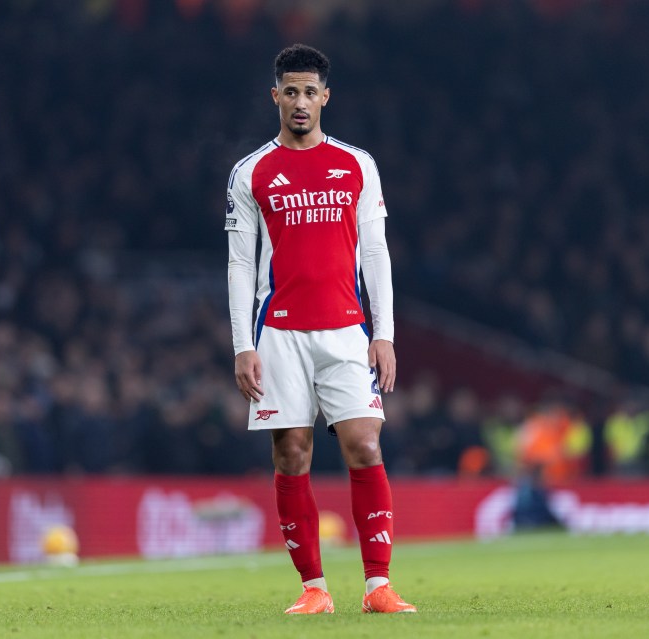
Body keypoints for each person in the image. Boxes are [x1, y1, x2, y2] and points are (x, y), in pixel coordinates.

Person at [225, 44, 416, 615]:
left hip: (346, 330)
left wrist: (384, 332)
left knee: (364, 443)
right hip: (279, 333)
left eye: (311, 92)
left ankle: (377, 585)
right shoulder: (252, 171)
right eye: (291, 91)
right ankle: (314, 590)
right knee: (292, 455)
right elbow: (239, 263)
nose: (301, 102)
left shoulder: (357, 164)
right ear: (275, 96)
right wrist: (242, 345)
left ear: (326, 96)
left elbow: (376, 252)